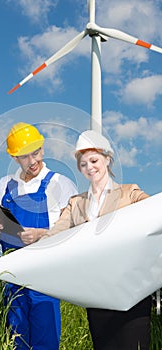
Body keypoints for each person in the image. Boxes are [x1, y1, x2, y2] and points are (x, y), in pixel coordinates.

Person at [40, 129, 152, 350]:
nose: (89, 167)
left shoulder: (130, 192)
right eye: (83, 164)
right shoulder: (76, 203)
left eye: (94, 160)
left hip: (132, 290)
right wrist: (32, 240)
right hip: (97, 293)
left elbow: (152, 210)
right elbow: (55, 232)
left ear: (107, 159)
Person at [0, 122, 77, 350]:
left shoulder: (61, 184)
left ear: (43, 149)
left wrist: (41, 235)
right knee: (16, 340)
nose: (33, 161)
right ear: (15, 159)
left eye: (36, 153)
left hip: (44, 276)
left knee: (45, 340)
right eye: (24, 157)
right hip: (12, 276)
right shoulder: (4, 185)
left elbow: (74, 232)